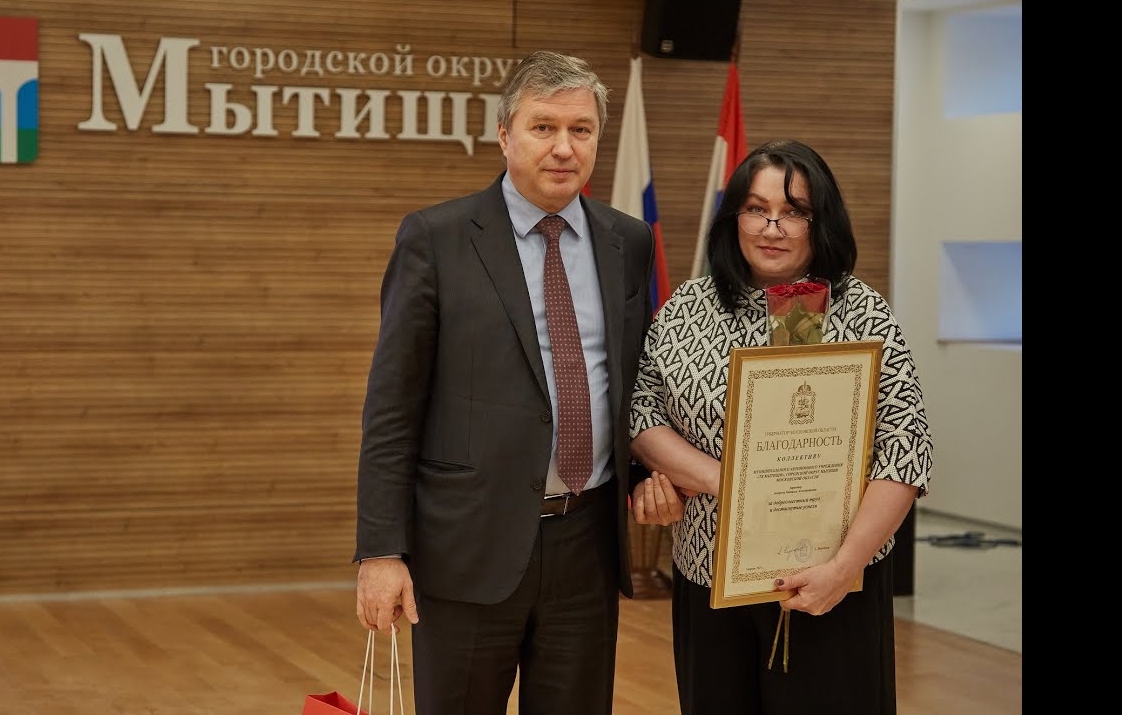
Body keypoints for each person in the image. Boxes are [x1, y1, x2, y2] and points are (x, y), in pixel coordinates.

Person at [352, 50, 685, 715]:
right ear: (505, 134)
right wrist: (381, 551)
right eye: (544, 127)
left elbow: (631, 380)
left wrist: (651, 472)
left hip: (587, 544)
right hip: (467, 547)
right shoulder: (437, 238)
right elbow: (392, 407)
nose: (564, 147)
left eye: (581, 130)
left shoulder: (627, 242)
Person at [630, 139, 933, 714]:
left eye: (794, 212)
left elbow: (906, 449)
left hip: (835, 583)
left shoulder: (864, 313)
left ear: (823, 222)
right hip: (711, 577)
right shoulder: (688, 307)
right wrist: (731, 484)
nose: (772, 228)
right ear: (733, 218)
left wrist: (844, 567)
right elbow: (642, 414)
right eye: (756, 208)